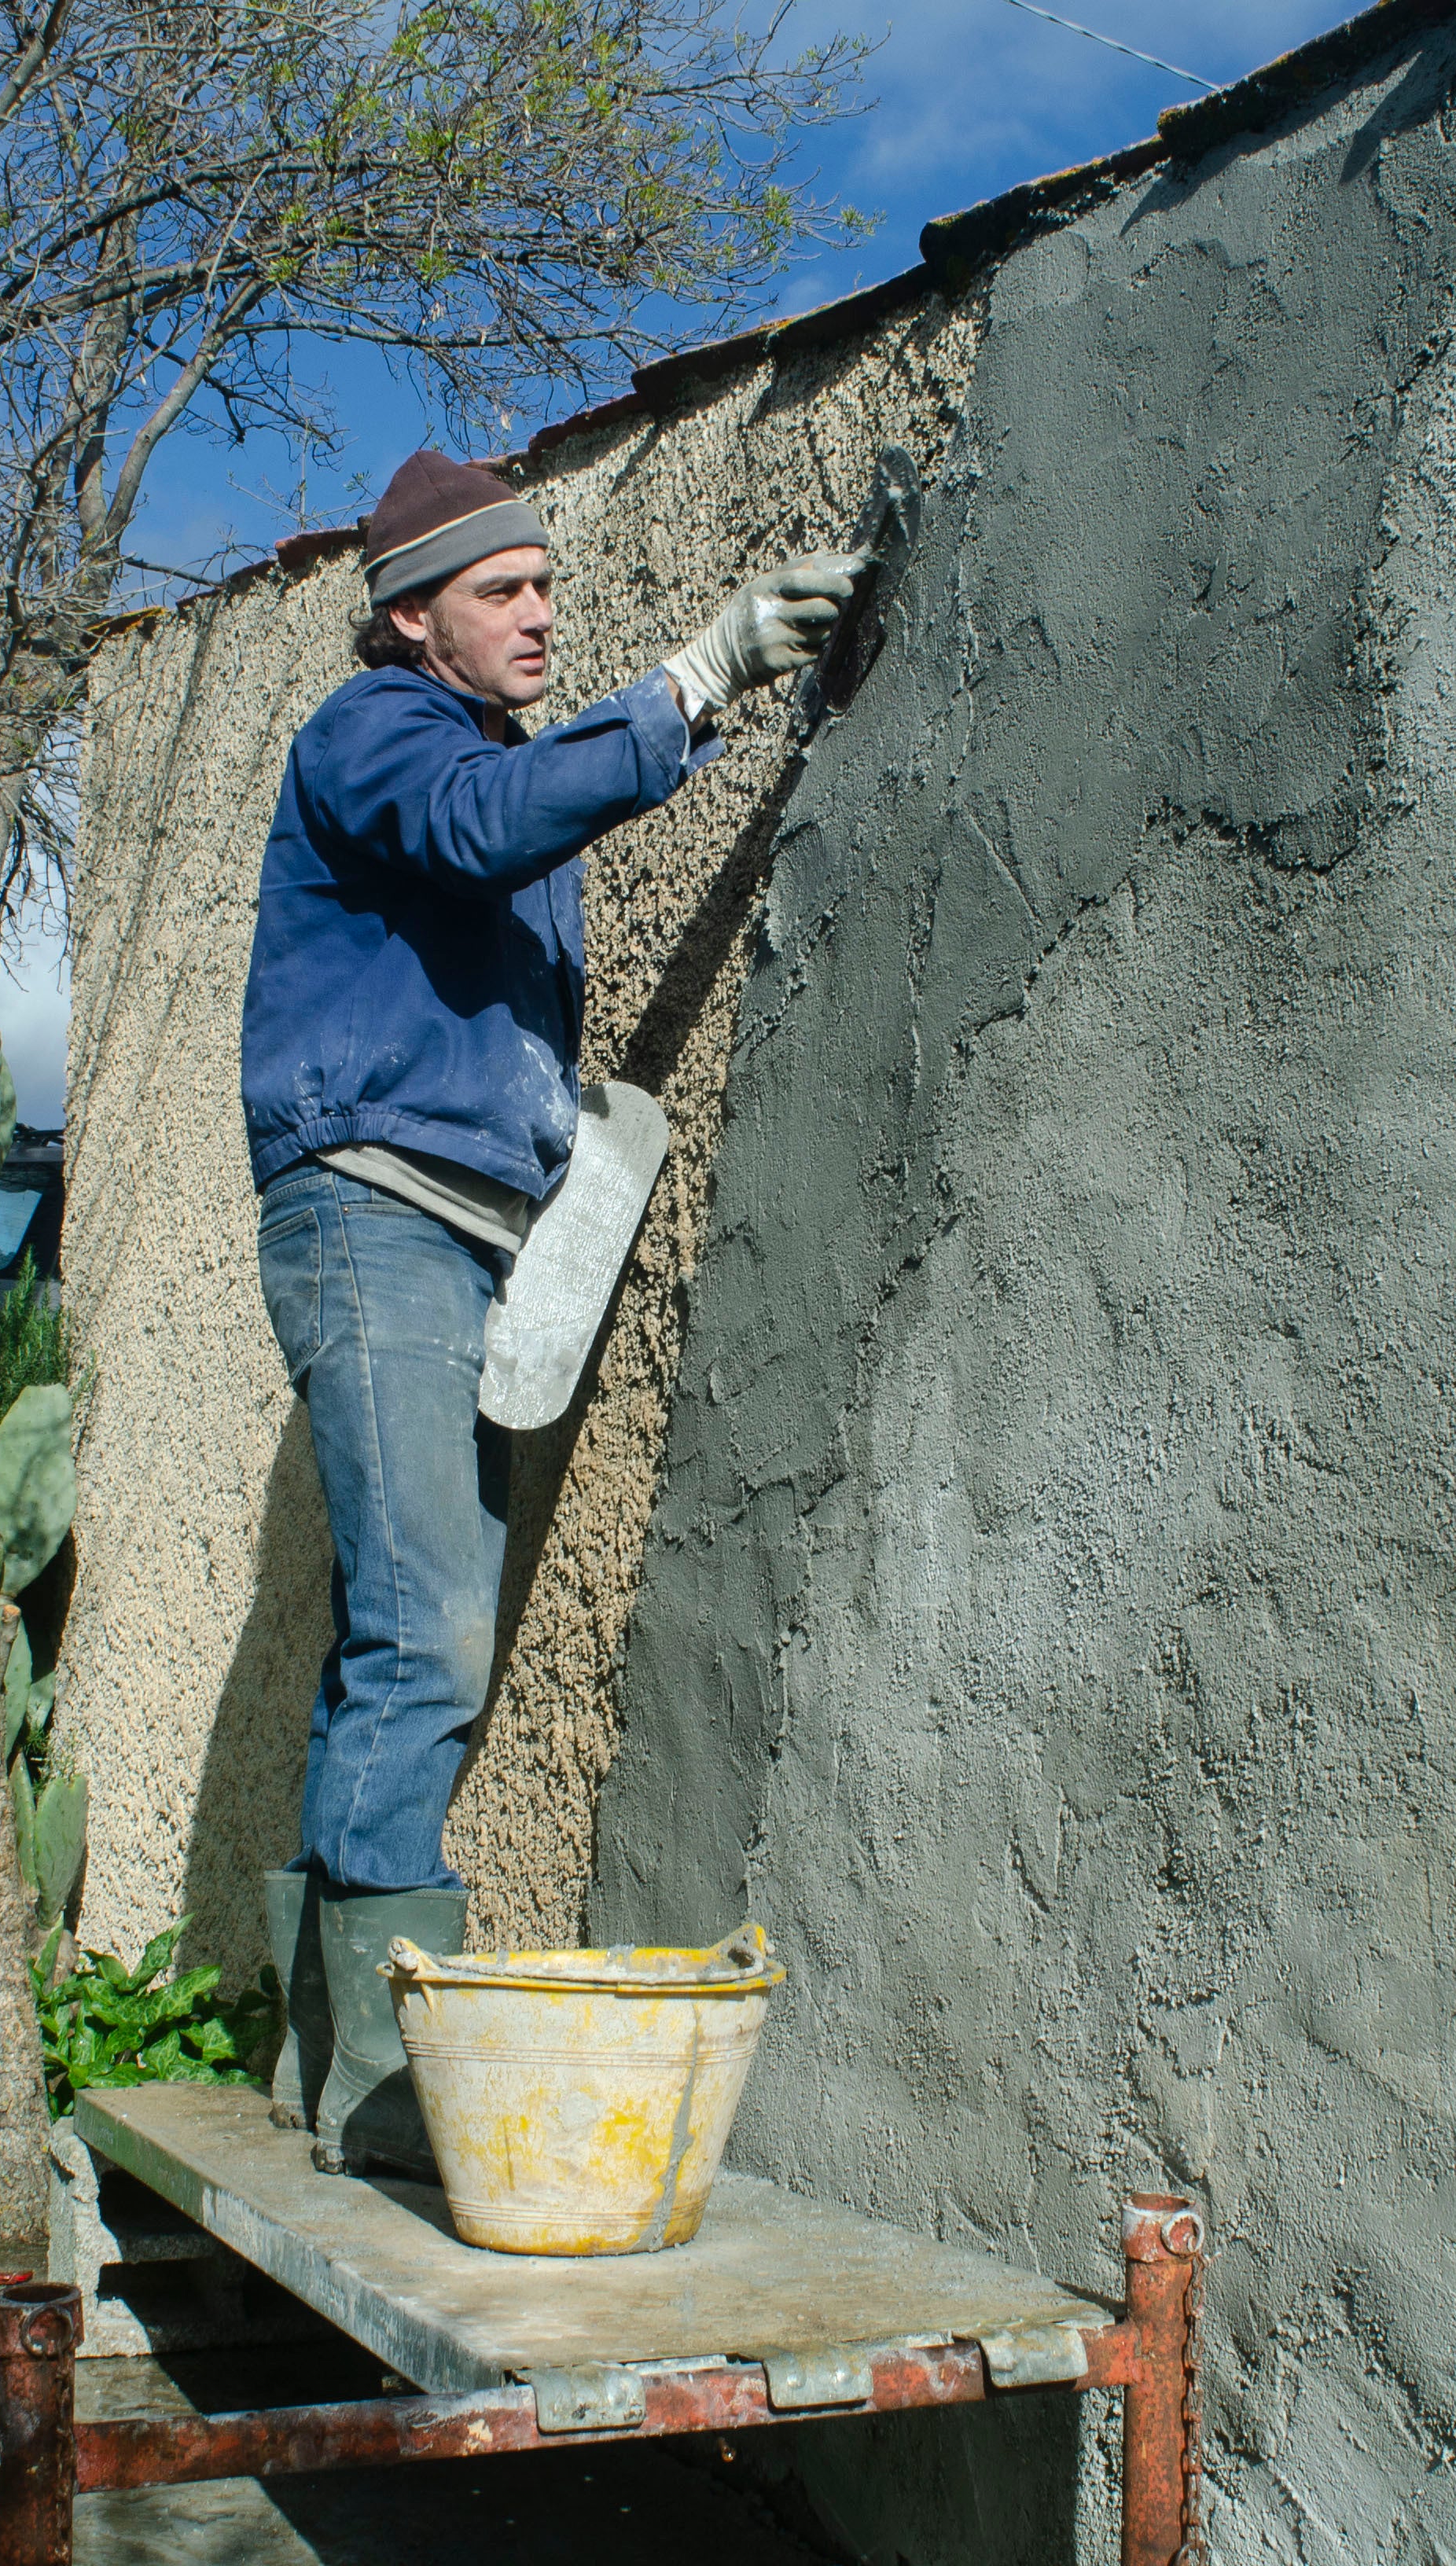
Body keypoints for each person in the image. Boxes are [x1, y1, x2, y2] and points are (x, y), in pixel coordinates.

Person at [241, 448, 858, 2175]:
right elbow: (483, 823)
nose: (536, 610)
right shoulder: (371, 738)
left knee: (397, 1633)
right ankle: (377, 2075)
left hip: (469, 1237)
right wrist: (697, 672)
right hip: (372, 1216)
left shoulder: (490, 772)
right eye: (499, 591)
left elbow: (510, 840)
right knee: (432, 1628)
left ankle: (338, 2073)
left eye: (542, 584)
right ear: (408, 618)